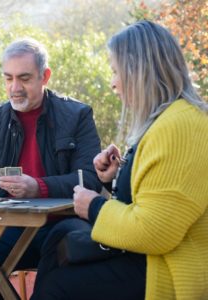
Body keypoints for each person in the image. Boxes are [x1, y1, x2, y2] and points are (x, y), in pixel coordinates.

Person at [33, 20, 208, 300]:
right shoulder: (169, 120)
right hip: (148, 260)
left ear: (140, 71)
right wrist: (116, 177)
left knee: (60, 286)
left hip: (165, 271)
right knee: (59, 238)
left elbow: (155, 231)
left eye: (116, 71)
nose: (113, 83)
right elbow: (160, 195)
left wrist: (94, 207)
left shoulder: (181, 126)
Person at [0, 37, 102, 299]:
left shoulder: (78, 115)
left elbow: (90, 179)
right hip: (8, 226)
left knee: (66, 253)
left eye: (24, 78)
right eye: (8, 78)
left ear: (45, 76)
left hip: (63, 223)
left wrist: (39, 187)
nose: (15, 87)